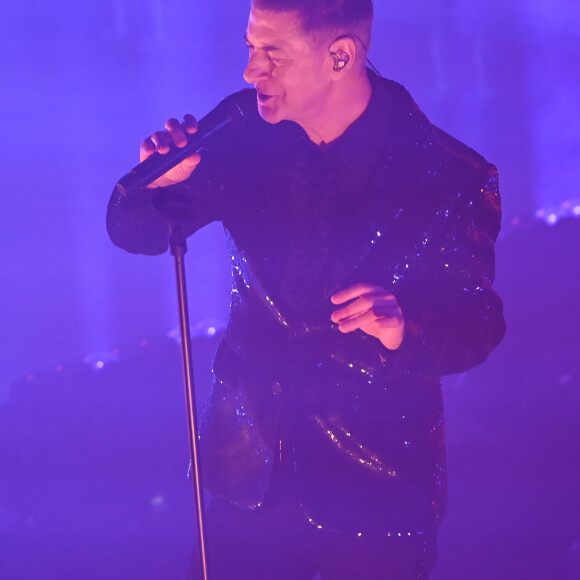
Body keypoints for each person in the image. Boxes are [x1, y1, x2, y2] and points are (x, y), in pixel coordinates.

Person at [107, 0, 505, 578]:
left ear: (340, 55)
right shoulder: (244, 131)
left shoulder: (450, 175)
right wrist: (151, 187)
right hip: (248, 470)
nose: (251, 71)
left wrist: (404, 324)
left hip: (377, 482)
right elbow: (136, 231)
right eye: (250, 47)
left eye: (272, 53)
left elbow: (479, 321)